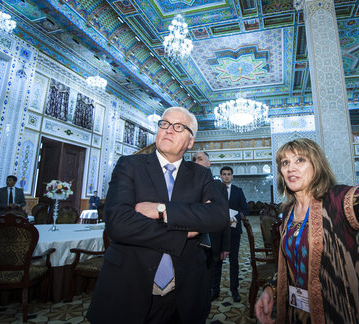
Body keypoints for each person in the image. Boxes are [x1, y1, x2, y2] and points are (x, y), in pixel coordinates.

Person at [255, 52, 359, 324]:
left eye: (299, 160)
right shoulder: (288, 212)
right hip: (297, 314)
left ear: (316, 165)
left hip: (342, 314)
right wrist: (271, 288)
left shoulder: (341, 199)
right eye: (284, 162)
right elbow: (292, 259)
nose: (290, 167)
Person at [87, 107, 229, 324]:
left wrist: (162, 210)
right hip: (128, 287)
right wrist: (183, 233)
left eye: (178, 127)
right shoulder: (129, 165)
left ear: (190, 142)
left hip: (186, 292)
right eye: (164, 124)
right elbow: (118, 223)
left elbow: (218, 216)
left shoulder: (201, 174)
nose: (169, 130)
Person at [192, 151, 230, 300]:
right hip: (192, 240)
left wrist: (226, 246)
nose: (196, 161)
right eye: (194, 159)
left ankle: (215, 290)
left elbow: (225, 216)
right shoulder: (184, 185)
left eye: (200, 159)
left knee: (215, 269)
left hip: (215, 238)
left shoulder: (219, 187)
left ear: (209, 163)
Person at [220, 166, 249, 302]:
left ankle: (234, 289)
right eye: (224, 174)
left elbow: (245, 209)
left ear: (232, 176)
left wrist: (235, 218)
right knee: (216, 261)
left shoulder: (238, 191)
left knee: (234, 261)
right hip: (218, 230)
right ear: (220, 176)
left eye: (229, 174)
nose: (226, 176)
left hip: (233, 229)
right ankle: (214, 289)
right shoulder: (215, 190)